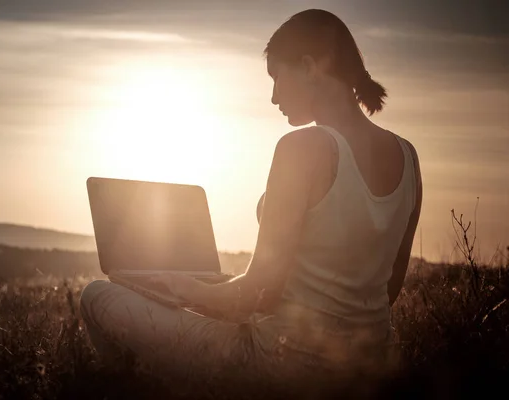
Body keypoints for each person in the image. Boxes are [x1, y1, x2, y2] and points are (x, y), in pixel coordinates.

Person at [80, 8, 423, 391]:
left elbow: (256, 294)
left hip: (280, 365)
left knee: (96, 296)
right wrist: (224, 291)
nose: (274, 96)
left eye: (277, 77)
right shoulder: (408, 156)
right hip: (372, 366)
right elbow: (388, 288)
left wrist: (185, 289)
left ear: (310, 67)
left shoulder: (303, 147)